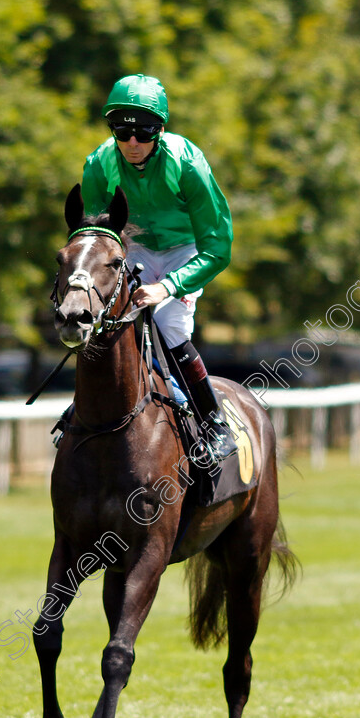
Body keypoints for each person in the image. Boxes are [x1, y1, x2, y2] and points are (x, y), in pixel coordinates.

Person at [81, 73, 237, 461]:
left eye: (145, 132)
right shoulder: (99, 164)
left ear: (161, 129)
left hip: (186, 250)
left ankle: (212, 422)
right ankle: (82, 413)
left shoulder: (187, 163)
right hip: (131, 247)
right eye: (122, 130)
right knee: (102, 318)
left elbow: (218, 248)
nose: (132, 142)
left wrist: (167, 287)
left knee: (167, 323)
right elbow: (93, 236)